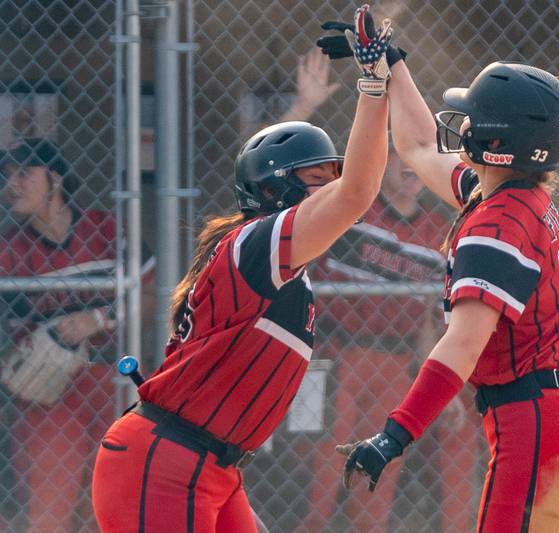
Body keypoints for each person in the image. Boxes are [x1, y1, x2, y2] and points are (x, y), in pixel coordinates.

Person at [90, 6, 391, 532]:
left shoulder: (269, 255)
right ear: (274, 192)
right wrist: (373, 84)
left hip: (210, 465)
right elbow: (359, 193)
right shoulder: (256, 244)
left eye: (328, 175)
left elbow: (351, 191)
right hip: (164, 463)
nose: (328, 188)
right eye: (315, 178)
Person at [318, 25, 559, 531]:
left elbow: (462, 345)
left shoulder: (496, 224)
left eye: (475, 120)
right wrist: (390, 63)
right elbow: (416, 145)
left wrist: (395, 435)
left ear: (498, 142)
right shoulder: (515, 199)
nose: (461, 126)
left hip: (538, 429)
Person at [300, 146, 480, 532]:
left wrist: (438, 386)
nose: (408, 167)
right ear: (382, 163)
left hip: (396, 361)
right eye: (398, 157)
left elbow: (427, 323)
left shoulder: (437, 232)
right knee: (321, 470)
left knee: (378, 473)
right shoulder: (355, 211)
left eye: (416, 159)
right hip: (335, 354)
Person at [0, 138, 156, 532]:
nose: (11, 184)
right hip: (49, 389)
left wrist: (99, 319)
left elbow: (154, 293)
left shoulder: (105, 228)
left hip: (113, 375)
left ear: (55, 178)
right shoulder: (10, 250)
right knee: (50, 508)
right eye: (7, 175)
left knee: (111, 502)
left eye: (23, 173)